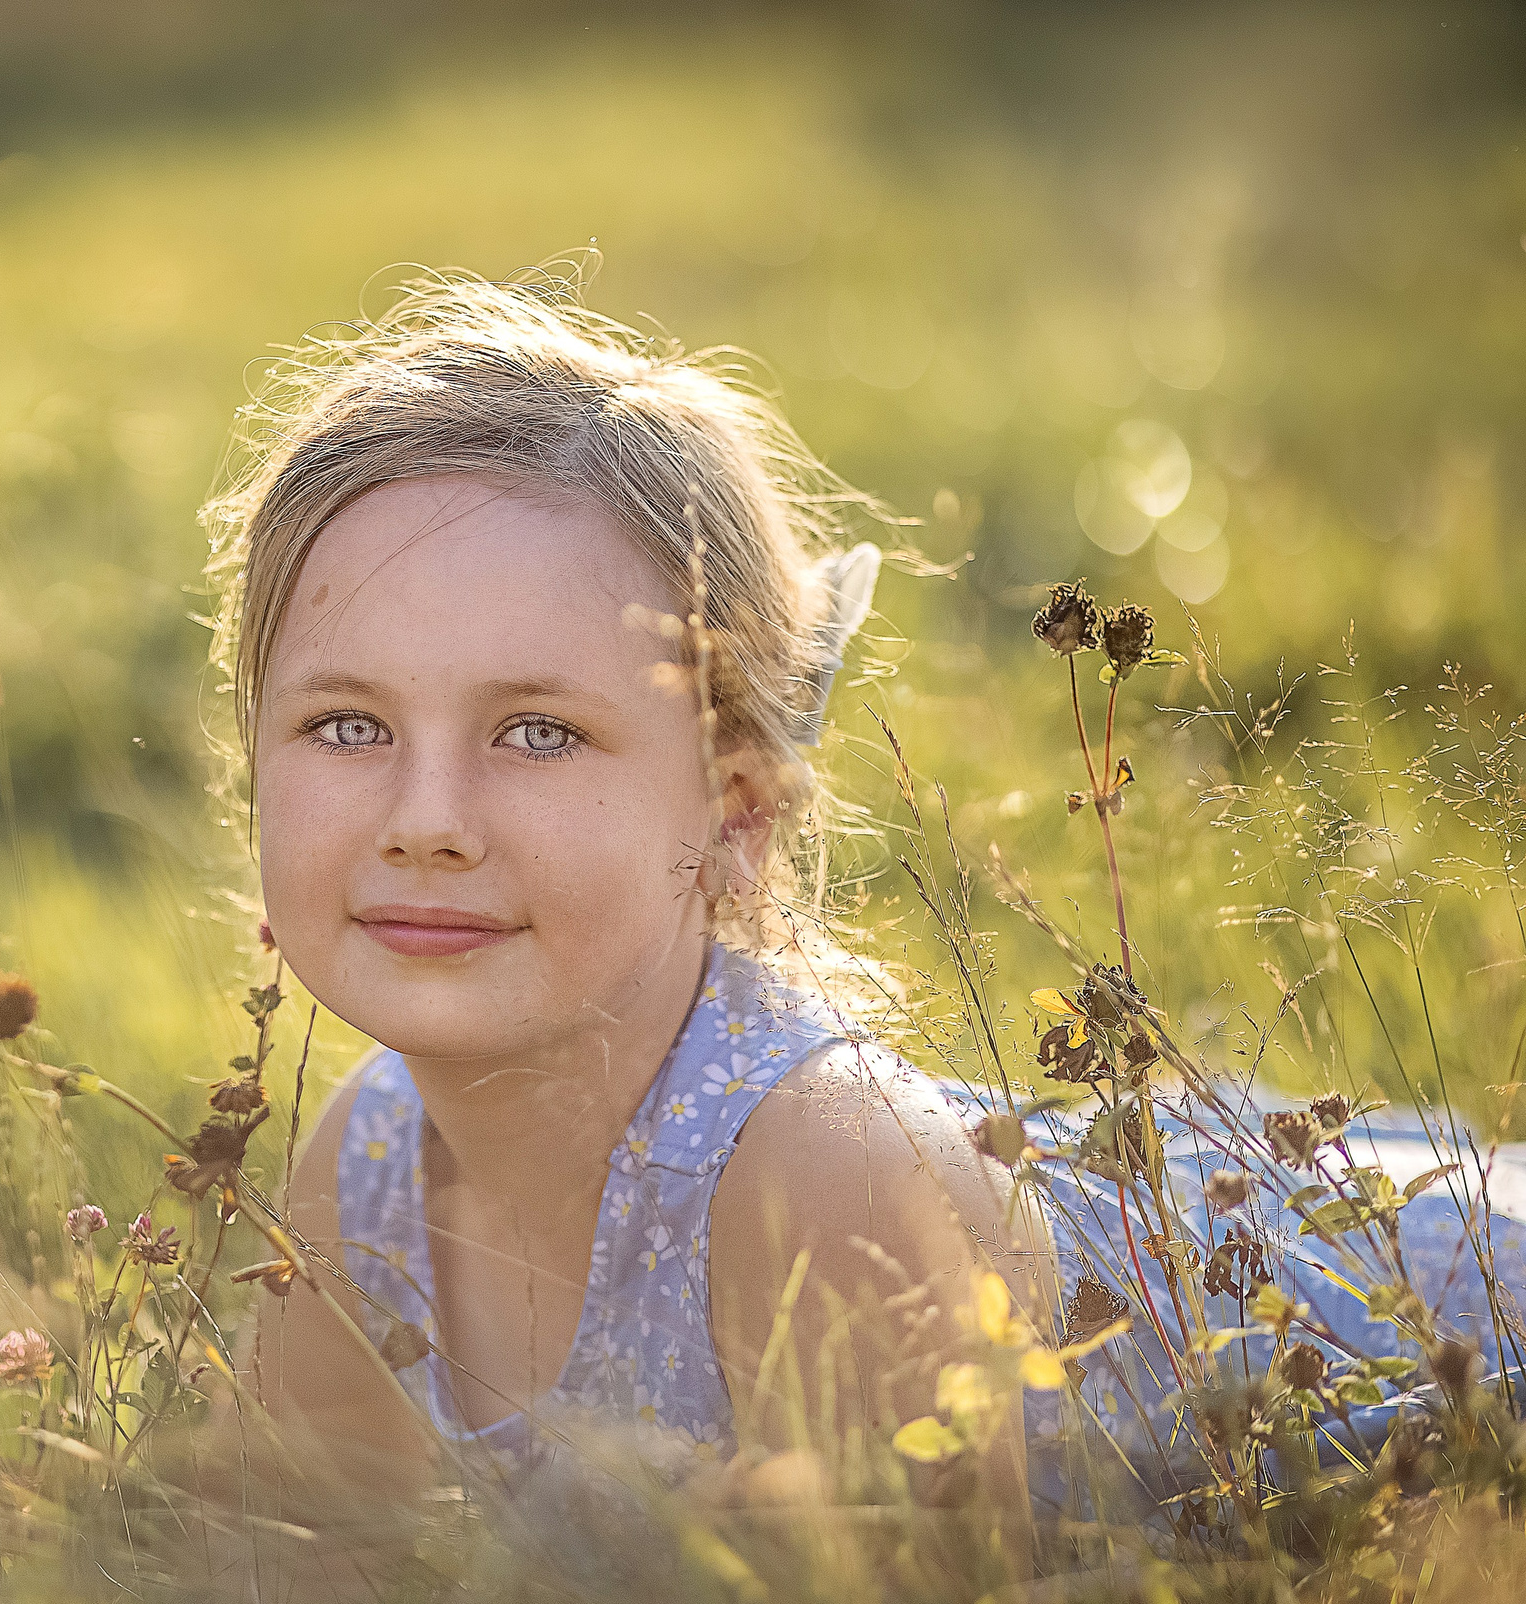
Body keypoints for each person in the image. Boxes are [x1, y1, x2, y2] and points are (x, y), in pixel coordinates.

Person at [203, 265, 1048, 1509]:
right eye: (346, 726)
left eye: (539, 733)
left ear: (734, 815)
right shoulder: (366, 1167)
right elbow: (297, 1595)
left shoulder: (841, 1178)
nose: (426, 823)